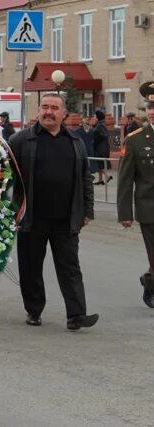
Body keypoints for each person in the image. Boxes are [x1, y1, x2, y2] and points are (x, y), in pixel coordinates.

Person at [9, 93, 98, 330]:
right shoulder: (21, 140)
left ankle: (76, 315)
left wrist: (87, 210)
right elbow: (5, 178)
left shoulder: (75, 141)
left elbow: (85, 178)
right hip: (32, 218)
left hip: (66, 219)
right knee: (30, 268)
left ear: (64, 114)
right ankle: (34, 311)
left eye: (54, 108)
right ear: (38, 111)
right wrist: (11, 209)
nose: (48, 112)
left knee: (70, 269)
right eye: (44, 107)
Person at [117, 81, 154, 309]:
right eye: (149, 107)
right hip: (149, 209)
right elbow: (124, 179)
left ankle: (149, 281)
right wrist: (125, 213)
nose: (152, 111)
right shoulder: (135, 139)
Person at [90, 110, 112, 185]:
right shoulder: (101, 124)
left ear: (97, 117)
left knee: (100, 164)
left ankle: (107, 176)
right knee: (99, 164)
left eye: (95, 116)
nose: (94, 117)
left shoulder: (99, 126)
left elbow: (99, 136)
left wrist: (91, 132)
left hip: (100, 149)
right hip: (102, 148)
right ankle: (100, 180)